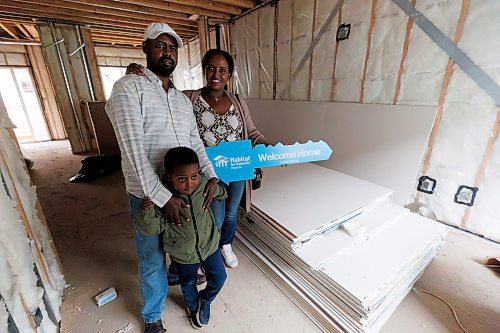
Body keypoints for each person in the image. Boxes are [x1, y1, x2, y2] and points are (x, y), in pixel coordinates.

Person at [106, 22, 219, 333]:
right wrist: (163, 197)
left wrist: (210, 176)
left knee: (184, 240)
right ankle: (153, 315)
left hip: (184, 190)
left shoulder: (182, 100)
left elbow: (196, 143)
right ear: (145, 49)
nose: (167, 52)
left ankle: (177, 274)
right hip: (148, 195)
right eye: (160, 45)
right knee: (152, 257)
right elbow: (132, 151)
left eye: (172, 48)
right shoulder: (129, 88)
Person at [126, 49, 273, 270]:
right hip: (205, 172)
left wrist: (270, 147)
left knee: (232, 212)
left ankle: (225, 244)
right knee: (213, 214)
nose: (216, 74)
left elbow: (252, 133)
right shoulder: (188, 98)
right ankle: (208, 248)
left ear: (229, 74)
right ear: (204, 71)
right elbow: (162, 91)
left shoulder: (239, 102)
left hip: (237, 168)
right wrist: (139, 76)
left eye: (222, 70)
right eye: (211, 69)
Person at [134, 147, 227, 330]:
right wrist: (146, 211)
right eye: (181, 179)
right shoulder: (164, 199)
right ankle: (193, 309)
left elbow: (222, 194)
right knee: (188, 284)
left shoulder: (203, 186)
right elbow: (153, 227)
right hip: (182, 254)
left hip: (209, 247)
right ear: (169, 178)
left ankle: (205, 301)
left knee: (220, 277)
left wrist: (215, 183)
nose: (189, 184)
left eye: (194, 176)